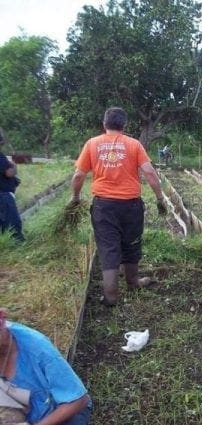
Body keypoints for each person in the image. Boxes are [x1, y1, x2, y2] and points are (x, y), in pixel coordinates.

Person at [69, 107, 167, 306]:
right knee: (131, 243)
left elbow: (79, 175)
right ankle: (133, 283)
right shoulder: (134, 145)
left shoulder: (92, 144)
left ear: (104, 124)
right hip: (131, 205)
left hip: (104, 206)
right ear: (124, 125)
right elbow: (149, 173)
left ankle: (111, 296)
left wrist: (75, 197)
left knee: (108, 248)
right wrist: (159, 199)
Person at [0, 309, 98, 425]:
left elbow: (79, 400)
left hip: (59, 407)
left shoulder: (36, 348)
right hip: (16, 397)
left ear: (2, 319)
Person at [0, 140, 25, 242]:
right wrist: (14, 165)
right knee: (12, 225)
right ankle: (16, 244)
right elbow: (9, 173)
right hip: (3, 195)